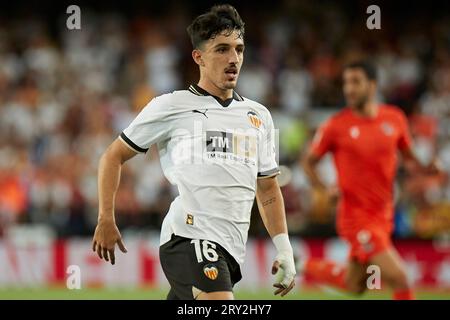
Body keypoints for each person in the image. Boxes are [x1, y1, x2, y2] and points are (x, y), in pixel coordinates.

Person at [92, 4, 296, 300]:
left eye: (239, 49)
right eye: (222, 49)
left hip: (231, 249)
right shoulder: (171, 105)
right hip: (189, 236)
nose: (233, 59)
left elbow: (267, 188)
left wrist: (285, 249)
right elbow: (113, 155)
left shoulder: (259, 116)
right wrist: (105, 218)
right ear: (198, 57)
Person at [301, 60, 441, 300]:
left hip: (383, 216)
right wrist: (324, 190)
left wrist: (426, 167)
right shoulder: (336, 125)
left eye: (356, 82)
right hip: (356, 217)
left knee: (355, 285)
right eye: (346, 83)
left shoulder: (394, 118)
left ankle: (300, 265)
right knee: (401, 278)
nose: (349, 89)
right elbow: (308, 161)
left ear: (373, 85)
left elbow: (408, 156)